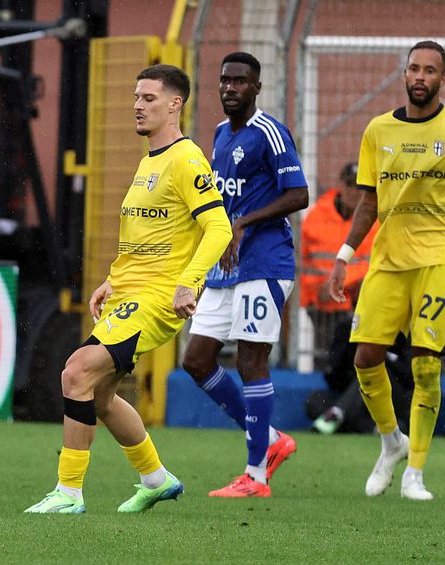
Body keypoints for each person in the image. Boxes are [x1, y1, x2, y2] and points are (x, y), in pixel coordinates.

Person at [25, 64, 232, 514]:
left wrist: (187, 282)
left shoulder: (187, 158)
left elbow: (219, 228)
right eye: (136, 97)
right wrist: (111, 280)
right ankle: (156, 480)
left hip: (157, 299)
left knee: (76, 371)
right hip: (128, 292)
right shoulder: (148, 162)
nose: (138, 105)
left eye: (149, 98)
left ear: (175, 104)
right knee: (100, 395)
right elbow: (146, 237)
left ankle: (69, 492)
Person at [328, 41, 445, 501]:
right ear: (404, 73)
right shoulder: (377, 131)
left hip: (439, 258)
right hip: (388, 260)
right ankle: (392, 441)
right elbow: (368, 201)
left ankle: (415, 472)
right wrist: (344, 255)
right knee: (365, 357)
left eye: (430, 70)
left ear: (443, 79)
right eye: (414, 68)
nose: (420, 76)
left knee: (426, 363)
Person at [181, 52, 309, 498]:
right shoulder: (218, 134)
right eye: (224, 81)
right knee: (195, 360)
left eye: (240, 81)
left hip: (266, 262)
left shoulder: (270, 133)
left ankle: (256, 476)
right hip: (226, 265)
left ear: (257, 87)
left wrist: (244, 222)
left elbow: (298, 193)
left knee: (251, 361)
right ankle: (271, 439)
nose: (230, 88)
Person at [301, 162, 376, 360]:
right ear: (340, 185)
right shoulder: (317, 216)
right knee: (327, 360)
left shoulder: (374, 221)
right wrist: (319, 290)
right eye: (350, 184)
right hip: (322, 308)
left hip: (359, 305)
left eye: (360, 186)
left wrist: (346, 282)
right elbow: (306, 263)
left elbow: (374, 261)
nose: (355, 192)